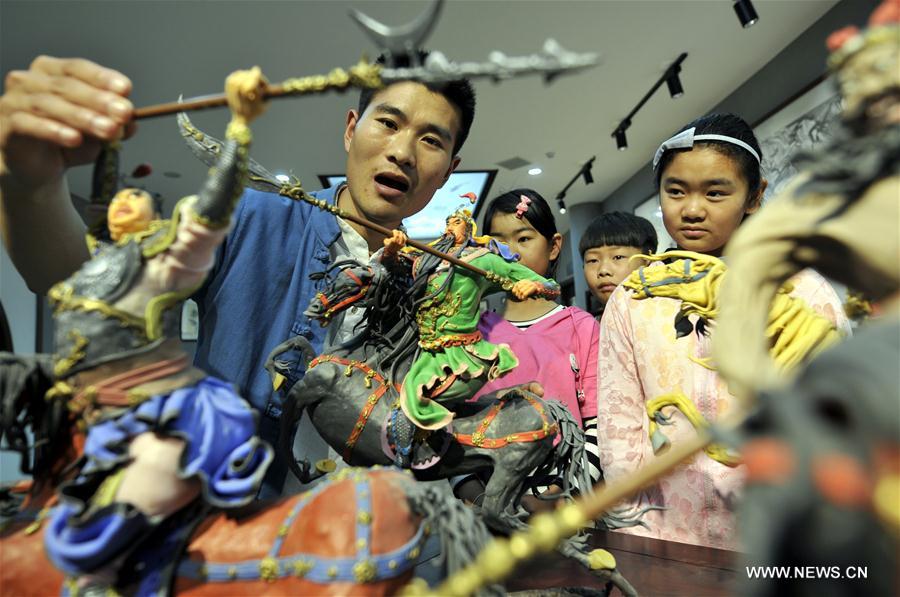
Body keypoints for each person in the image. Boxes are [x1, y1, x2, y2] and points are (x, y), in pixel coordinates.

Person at [0, 55, 476, 495]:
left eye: (431, 139)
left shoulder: (437, 285)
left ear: (449, 171)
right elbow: (77, 284)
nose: (402, 152)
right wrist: (31, 185)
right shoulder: (253, 217)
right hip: (222, 529)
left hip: (357, 545)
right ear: (351, 130)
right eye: (388, 123)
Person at [40, 67, 273, 589]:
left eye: (137, 197)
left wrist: (239, 127)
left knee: (117, 519)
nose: (126, 197)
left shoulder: (166, 260)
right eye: (118, 195)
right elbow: (100, 194)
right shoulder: (94, 259)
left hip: (154, 418)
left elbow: (213, 206)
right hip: (86, 417)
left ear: (154, 221)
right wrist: (105, 141)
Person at [597, 113, 851, 550]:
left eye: (716, 192)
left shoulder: (803, 293)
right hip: (666, 535)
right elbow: (619, 424)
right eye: (675, 191)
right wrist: (634, 527)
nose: (692, 209)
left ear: (754, 197)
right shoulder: (633, 297)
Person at [452, 189, 601, 507]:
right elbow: (451, 422)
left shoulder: (582, 327)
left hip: (567, 503)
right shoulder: (468, 334)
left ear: (553, 246)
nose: (511, 253)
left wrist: (565, 497)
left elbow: (598, 424)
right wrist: (478, 497)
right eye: (498, 242)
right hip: (487, 501)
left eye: (524, 238)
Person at [380, 206, 560, 442]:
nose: (449, 228)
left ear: (468, 228)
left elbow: (551, 287)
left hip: (462, 354)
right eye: (447, 223)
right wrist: (392, 252)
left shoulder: (483, 260)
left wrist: (533, 286)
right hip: (424, 351)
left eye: (455, 223)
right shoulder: (427, 259)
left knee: (421, 401)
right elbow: (398, 274)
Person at [579, 211, 658, 316]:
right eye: (593, 260)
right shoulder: (588, 328)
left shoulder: (670, 313)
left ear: (647, 258)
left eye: (618, 257)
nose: (603, 270)